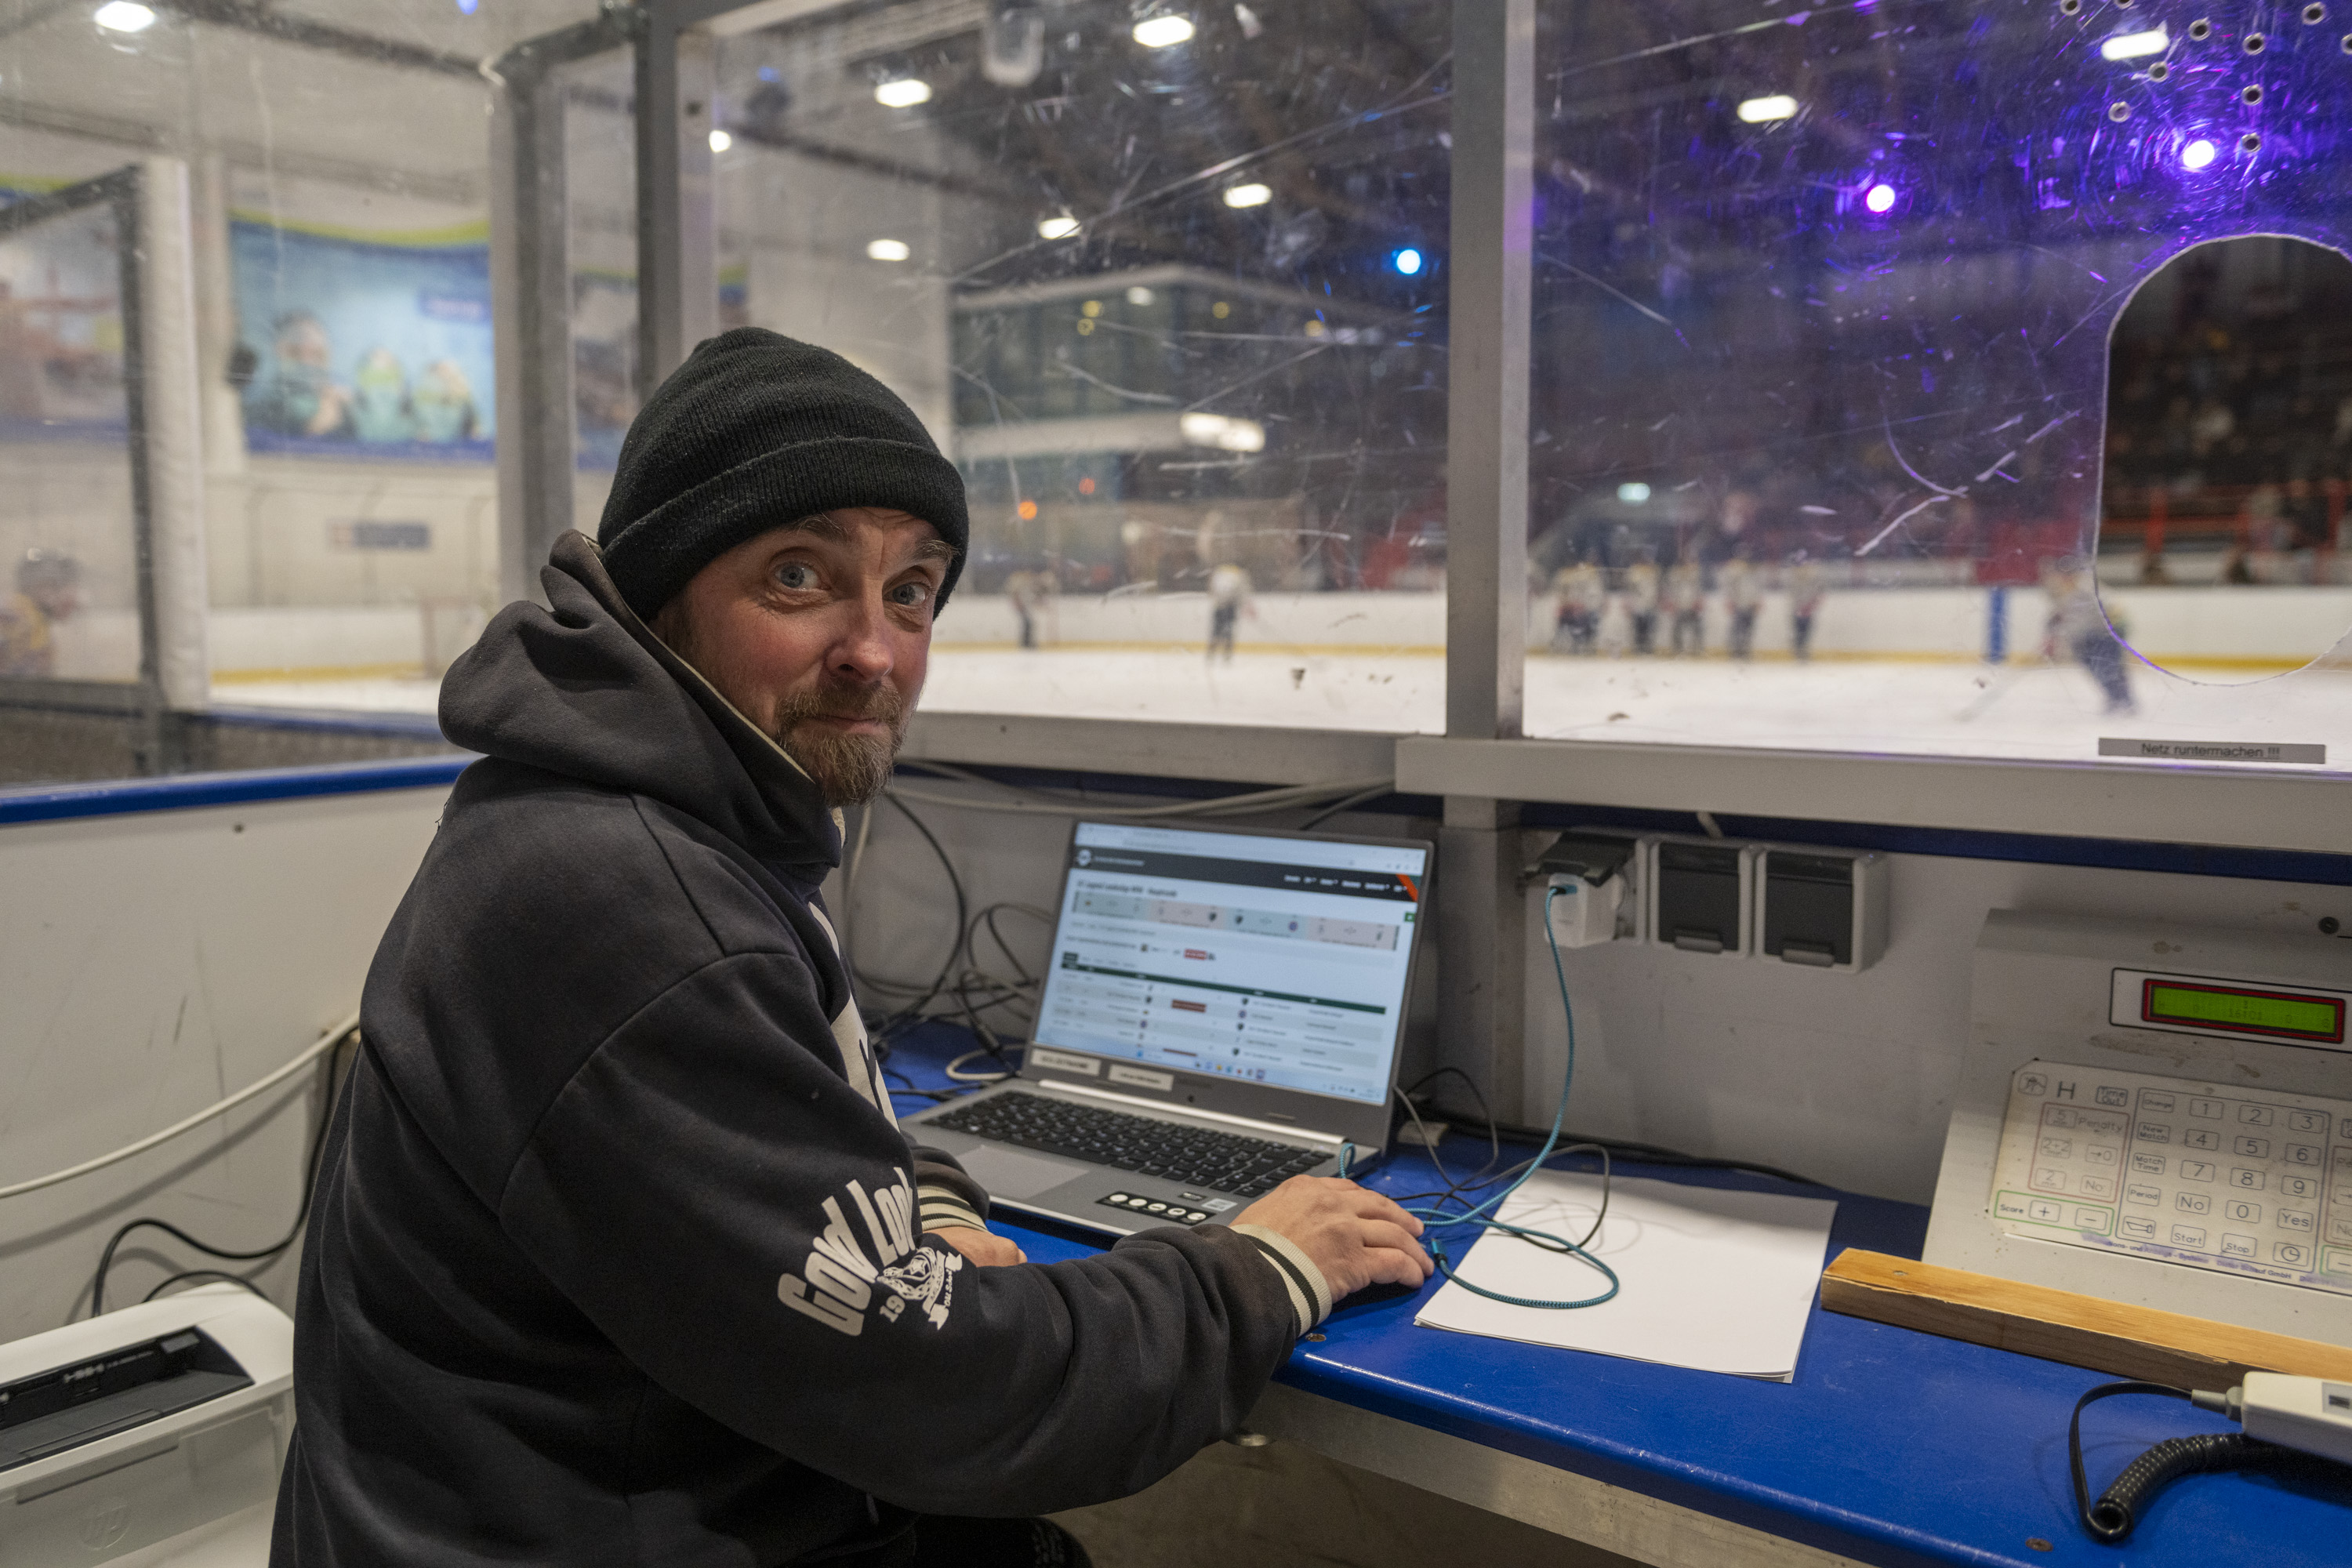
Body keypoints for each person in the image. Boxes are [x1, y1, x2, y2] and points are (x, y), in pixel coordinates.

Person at [271, 329, 1430, 1568]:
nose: (875, 651)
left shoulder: (641, 816)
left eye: (911, 591)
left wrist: (906, 1192)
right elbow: (963, 1402)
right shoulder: (627, 904)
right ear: (664, 603)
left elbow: (734, 1165)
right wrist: (1255, 1272)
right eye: (798, 579)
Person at [2043, 557, 2133, 714]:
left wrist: (2116, 631)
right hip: (2083, 640)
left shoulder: (2088, 588)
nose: (2064, 578)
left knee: (2109, 669)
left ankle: (2124, 700)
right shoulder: (2062, 592)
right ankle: (2115, 698)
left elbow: (2113, 608)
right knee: (2096, 670)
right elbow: (2062, 616)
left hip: (2104, 635)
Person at [0, 548, 79, 677]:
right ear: (41, 586)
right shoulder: (17, 616)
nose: (75, 600)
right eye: (66, 586)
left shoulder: (38, 624)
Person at [1551, 556, 1604, 655]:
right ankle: (1568, 645)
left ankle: (1585, 644)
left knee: (1587, 622)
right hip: (1572, 608)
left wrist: (1583, 605)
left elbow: (1593, 596)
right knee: (1567, 622)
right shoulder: (1567, 575)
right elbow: (1562, 593)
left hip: (1583, 608)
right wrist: (1568, 604)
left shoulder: (1589, 575)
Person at [1719, 551, 1761, 661]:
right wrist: (1731, 601)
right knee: (1737, 629)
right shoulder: (1735, 576)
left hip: (1750, 605)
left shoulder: (1753, 575)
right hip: (1739, 605)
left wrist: (1757, 602)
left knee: (1747, 630)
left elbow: (1757, 591)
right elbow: (1730, 588)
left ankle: (1745, 650)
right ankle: (1736, 650)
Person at [1207, 559, 1251, 660]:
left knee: (1216, 632)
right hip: (1229, 607)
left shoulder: (1220, 573)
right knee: (1228, 632)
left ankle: (1211, 653)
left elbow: (1212, 589)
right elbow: (1242, 592)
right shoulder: (1239, 575)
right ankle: (1226, 655)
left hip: (1219, 606)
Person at [1786, 550, 1824, 662]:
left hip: (1807, 609)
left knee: (1806, 631)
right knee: (1799, 631)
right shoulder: (1795, 577)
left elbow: (1818, 591)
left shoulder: (1813, 576)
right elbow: (1793, 593)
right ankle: (1799, 651)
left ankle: (1803, 651)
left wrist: (1811, 604)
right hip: (1798, 608)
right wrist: (1801, 605)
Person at [1664, 552, 1704, 657]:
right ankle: (1677, 649)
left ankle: (1696, 649)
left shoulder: (1695, 573)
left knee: (1696, 628)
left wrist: (1698, 601)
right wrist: (1672, 602)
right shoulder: (1675, 574)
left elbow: (1698, 589)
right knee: (1677, 628)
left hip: (1692, 605)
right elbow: (1671, 589)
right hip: (1679, 605)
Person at [1622, 552, 1661, 656]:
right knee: (1639, 627)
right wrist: (1629, 602)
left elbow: (1656, 588)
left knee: (1650, 627)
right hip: (1638, 604)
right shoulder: (1634, 572)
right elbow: (1630, 589)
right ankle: (1638, 647)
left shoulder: (1653, 571)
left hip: (1650, 604)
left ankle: (1648, 647)